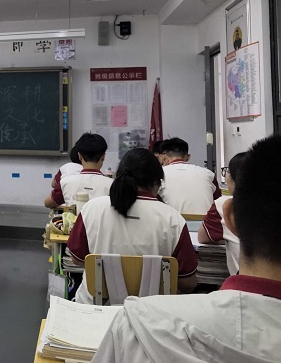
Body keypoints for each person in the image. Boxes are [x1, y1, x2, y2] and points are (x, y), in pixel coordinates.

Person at [93, 135, 281, 362]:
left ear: (230, 217)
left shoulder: (134, 327)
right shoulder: (174, 215)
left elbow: (76, 257)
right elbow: (187, 280)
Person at [67, 148, 198, 304]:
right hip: (151, 312)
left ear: (119, 177)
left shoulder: (91, 208)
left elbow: (77, 259)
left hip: (96, 309)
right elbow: (187, 283)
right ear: (157, 182)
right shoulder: (173, 219)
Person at [198, 151, 247, 275]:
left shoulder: (225, 205)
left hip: (244, 283)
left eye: (227, 171)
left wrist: (227, 237)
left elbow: (202, 237)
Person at [45, 133, 112, 208]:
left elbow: (47, 203)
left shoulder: (65, 182)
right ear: (103, 157)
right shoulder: (113, 185)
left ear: (79, 156)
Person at [159, 137, 220, 214]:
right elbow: (218, 200)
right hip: (206, 220)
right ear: (188, 157)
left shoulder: (159, 174)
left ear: (164, 157)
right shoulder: (208, 173)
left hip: (174, 220)